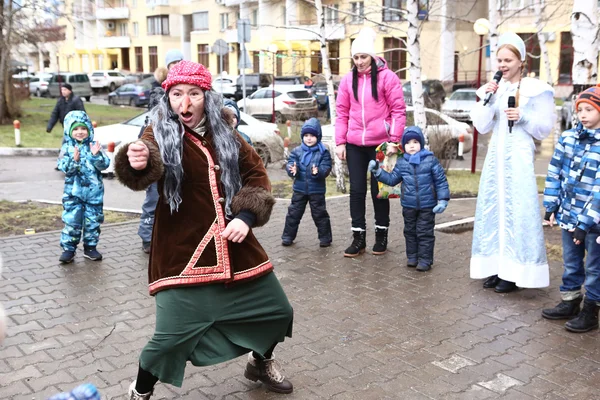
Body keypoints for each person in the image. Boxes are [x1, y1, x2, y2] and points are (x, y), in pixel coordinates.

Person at [114, 61, 294, 399]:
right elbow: (144, 163)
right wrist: (134, 160)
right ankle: (140, 391)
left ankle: (261, 362)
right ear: (167, 98)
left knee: (276, 311)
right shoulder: (157, 132)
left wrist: (246, 217)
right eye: (177, 94)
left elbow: (256, 174)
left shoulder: (226, 133)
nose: (186, 103)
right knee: (169, 337)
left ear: (206, 97)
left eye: (194, 94)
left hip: (236, 247)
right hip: (182, 254)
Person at [469, 32, 555, 293]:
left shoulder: (536, 90)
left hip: (518, 158)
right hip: (495, 160)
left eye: (508, 60)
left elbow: (544, 129)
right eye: (500, 61)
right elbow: (482, 126)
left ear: (520, 61)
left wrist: (524, 116)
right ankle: (496, 267)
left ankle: (516, 272)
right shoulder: (493, 90)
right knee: (494, 211)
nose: (503, 65)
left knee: (518, 212)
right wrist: (486, 100)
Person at [335, 27, 406, 257]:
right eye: (355, 57)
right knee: (356, 191)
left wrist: (394, 140)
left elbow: (398, 110)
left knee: (382, 191)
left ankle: (381, 235)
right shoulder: (348, 80)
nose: (359, 61)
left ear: (373, 56)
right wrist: (340, 142)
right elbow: (341, 112)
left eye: (363, 56)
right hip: (355, 143)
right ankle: (358, 239)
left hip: (383, 144)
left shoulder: (388, 78)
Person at [541, 86, 600, 333]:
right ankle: (570, 301)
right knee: (571, 262)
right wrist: (551, 205)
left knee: (594, 267)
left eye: (590, 109)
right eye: (580, 110)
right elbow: (555, 173)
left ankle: (591, 309)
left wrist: (585, 223)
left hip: (594, 221)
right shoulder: (568, 138)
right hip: (568, 215)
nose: (583, 114)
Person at [368, 126, 449, 271]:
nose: (412, 145)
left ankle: (425, 260)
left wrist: (443, 200)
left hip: (427, 205)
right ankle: (412, 257)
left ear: (421, 144)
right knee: (410, 231)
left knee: (424, 233)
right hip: (408, 204)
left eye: (415, 142)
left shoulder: (430, 160)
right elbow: (392, 179)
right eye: (408, 142)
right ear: (403, 146)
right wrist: (378, 172)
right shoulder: (402, 162)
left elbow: (441, 181)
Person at [57, 110, 110, 264]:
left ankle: (90, 247)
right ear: (69, 130)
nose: (80, 132)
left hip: (94, 194)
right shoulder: (66, 148)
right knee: (72, 221)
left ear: (89, 130)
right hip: (73, 194)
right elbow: (63, 167)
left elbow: (104, 165)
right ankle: (69, 249)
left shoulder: (94, 146)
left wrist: (95, 156)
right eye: (76, 129)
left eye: (83, 129)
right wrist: (73, 160)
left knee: (93, 221)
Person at [282, 118, 332, 247]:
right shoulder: (297, 151)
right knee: (293, 213)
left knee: (320, 214)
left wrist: (319, 172)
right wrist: (292, 170)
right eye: (306, 135)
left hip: (317, 190)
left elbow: (327, 167)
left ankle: (325, 238)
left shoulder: (323, 152)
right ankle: (288, 236)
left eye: (312, 136)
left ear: (318, 137)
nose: (309, 139)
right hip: (299, 189)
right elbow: (291, 164)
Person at [137, 66, 169, 254]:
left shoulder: (174, 122)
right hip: (155, 171)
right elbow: (142, 144)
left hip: (170, 170)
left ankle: (164, 236)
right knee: (152, 203)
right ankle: (147, 239)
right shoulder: (149, 124)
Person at [47, 83, 86, 166]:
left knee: (66, 144)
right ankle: (66, 162)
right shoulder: (61, 101)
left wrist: (80, 127)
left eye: (65, 90)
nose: (63, 92)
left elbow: (82, 113)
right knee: (68, 145)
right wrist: (50, 126)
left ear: (70, 91)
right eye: (62, 90)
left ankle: (64, 163)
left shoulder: (76, 100)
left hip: (74, 128)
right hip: (66, 127)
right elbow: (55, 114)